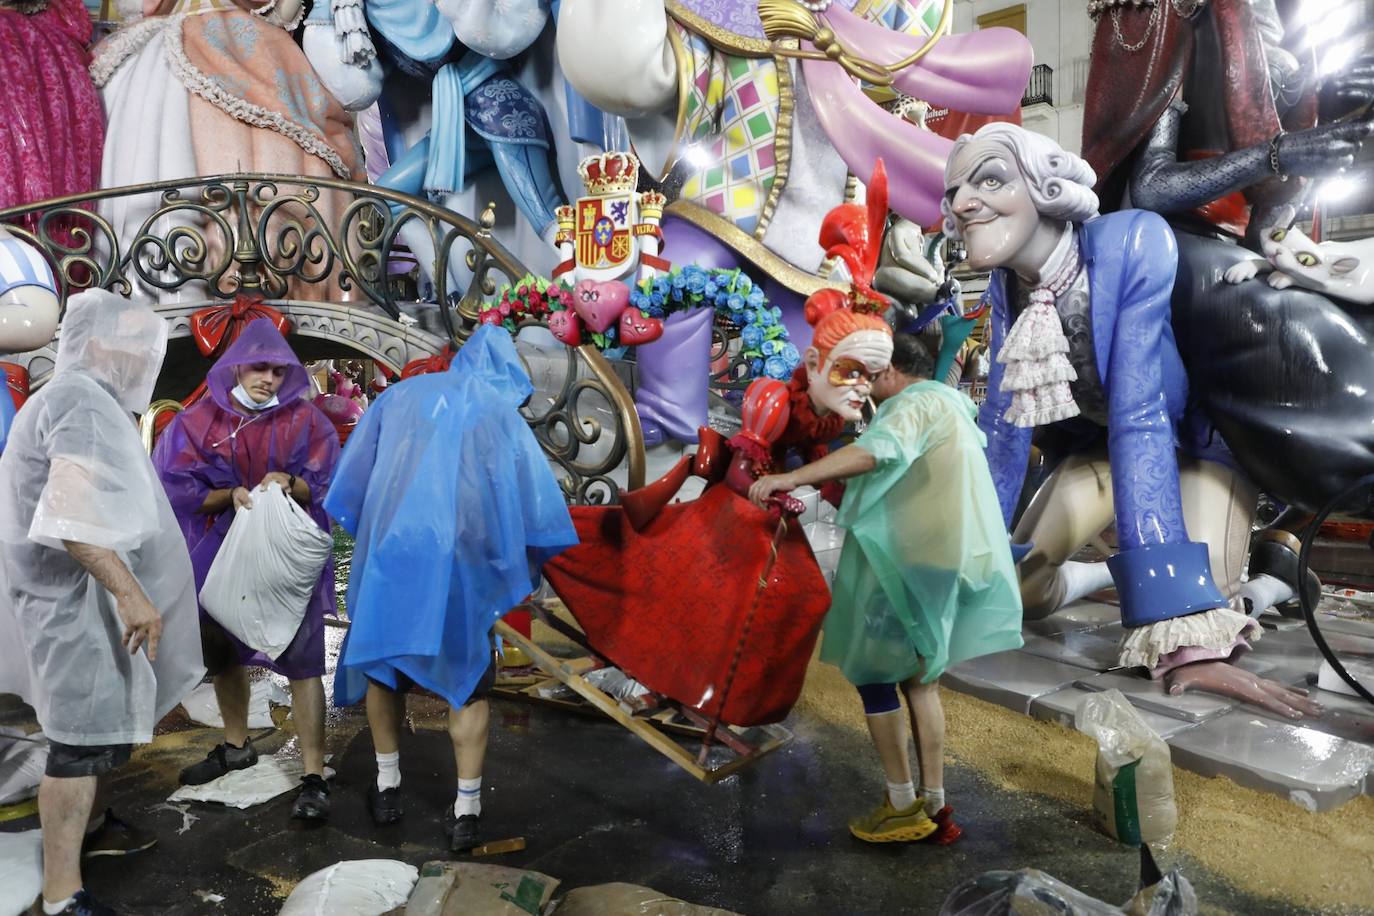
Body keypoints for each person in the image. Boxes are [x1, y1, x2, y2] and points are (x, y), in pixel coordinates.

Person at [941, 122, 1321, 718]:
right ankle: (1102, 578)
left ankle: (1275, 582)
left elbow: (1140, 411)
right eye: (954, 191)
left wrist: (1178, 622)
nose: (963, 203)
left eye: (989, 179)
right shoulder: (1004, 283)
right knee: (1016, 592)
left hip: (1189, 443)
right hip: (1103, 449)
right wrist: (965, 561)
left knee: (1198, 621)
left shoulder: (1132, 239)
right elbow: (1004, 420)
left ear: (1045, 186)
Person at [750, 333, 1022, 845]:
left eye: (866, 374)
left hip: (908, 564)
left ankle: (901, 804)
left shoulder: (910, 405)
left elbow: (874, 454)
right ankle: (936, 806)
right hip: (946, 560)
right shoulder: (951, 404)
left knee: (876, 677)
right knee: (921, 681)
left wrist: (792, 479)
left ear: (889, 371)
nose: (861, 387)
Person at [324, 326, 577, 852]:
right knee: (468, 683)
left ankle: (388, 785)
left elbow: (353, 484)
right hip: (462, 567)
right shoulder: (495, 412)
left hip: (395, 557)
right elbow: (530, 503)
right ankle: (466, 811)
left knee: (382, 670)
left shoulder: (398, 397)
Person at [0, 290, 204, 916]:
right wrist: (132, 594)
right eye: (131, 344)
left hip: (78, 601)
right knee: (76, 742)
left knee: (98, 730)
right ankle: (63, 894)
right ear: (97, 344)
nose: (141, 359)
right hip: (70, 604)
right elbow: (74, 521)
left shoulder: (78, 399)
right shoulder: (80, 401)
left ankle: (92, 829)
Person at [152, 319, 340, 821]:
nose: (269, 379)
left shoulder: (306, 422)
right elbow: (173, 485)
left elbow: (327, 481)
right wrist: (227, 495)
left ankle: (314, 774)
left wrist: (289, 483)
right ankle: (235, 744)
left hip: (281, 561)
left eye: (278, 371)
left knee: (303, 661)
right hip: (220, 554)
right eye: (259, 367)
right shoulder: (200, 422)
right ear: (236, 366)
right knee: (222, 651)